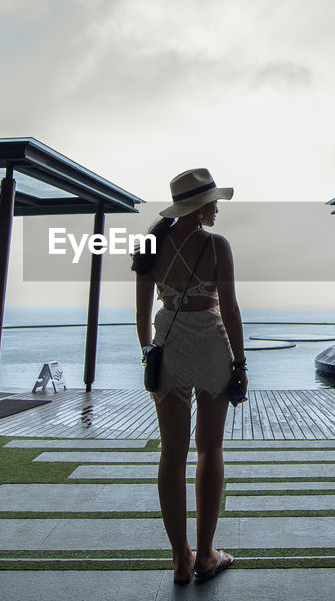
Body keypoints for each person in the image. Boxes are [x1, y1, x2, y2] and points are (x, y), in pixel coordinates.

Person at [131, 168, 247, 585]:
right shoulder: (217, 246)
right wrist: (240, 363)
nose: (217, 206)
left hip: (170, 346)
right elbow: (230, 311)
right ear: (199, 206)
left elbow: (142, 315)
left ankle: (181, 558)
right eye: (213, 200)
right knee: (209, 450)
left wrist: (149, 352)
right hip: (213, 347)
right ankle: (206, 555)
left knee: (171, 454)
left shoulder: (152, 244)